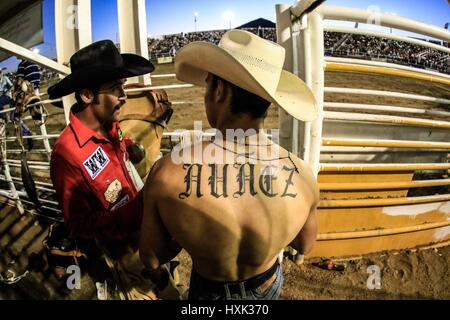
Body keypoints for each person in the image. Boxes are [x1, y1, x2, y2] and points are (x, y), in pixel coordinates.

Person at [139, 29, 320, 300]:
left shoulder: (167, 173)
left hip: (208, 292)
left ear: (220, 91)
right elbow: (304, 243)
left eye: (209, 83)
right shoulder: (302, 175)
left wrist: (189, 230)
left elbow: (152, 258)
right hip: (266, 284)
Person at [48, 40, 177, 299]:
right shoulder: (66, 156)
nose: (124, 96)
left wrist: (129, 147)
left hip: (145, 233)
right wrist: (141, 205)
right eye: (116, 89)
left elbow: (114, 153)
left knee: (168, 287)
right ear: (87, 95)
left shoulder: (109, 125)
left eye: (123, 87)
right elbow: (79, 226)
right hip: (122, 254)